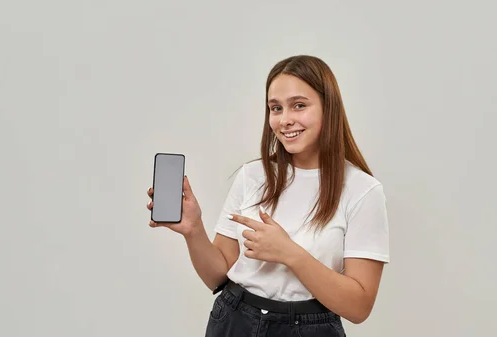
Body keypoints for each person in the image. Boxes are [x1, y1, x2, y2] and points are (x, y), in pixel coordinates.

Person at [146, 55, 390, 337]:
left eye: (299, 105)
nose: (285, 120)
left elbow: (359, 307)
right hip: (233, 320)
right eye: (276, 108)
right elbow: (217, 276)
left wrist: (290, 254)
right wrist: (193, 230)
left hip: (310, 328)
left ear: (329, 108)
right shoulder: (252, 175)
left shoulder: (362, 191)